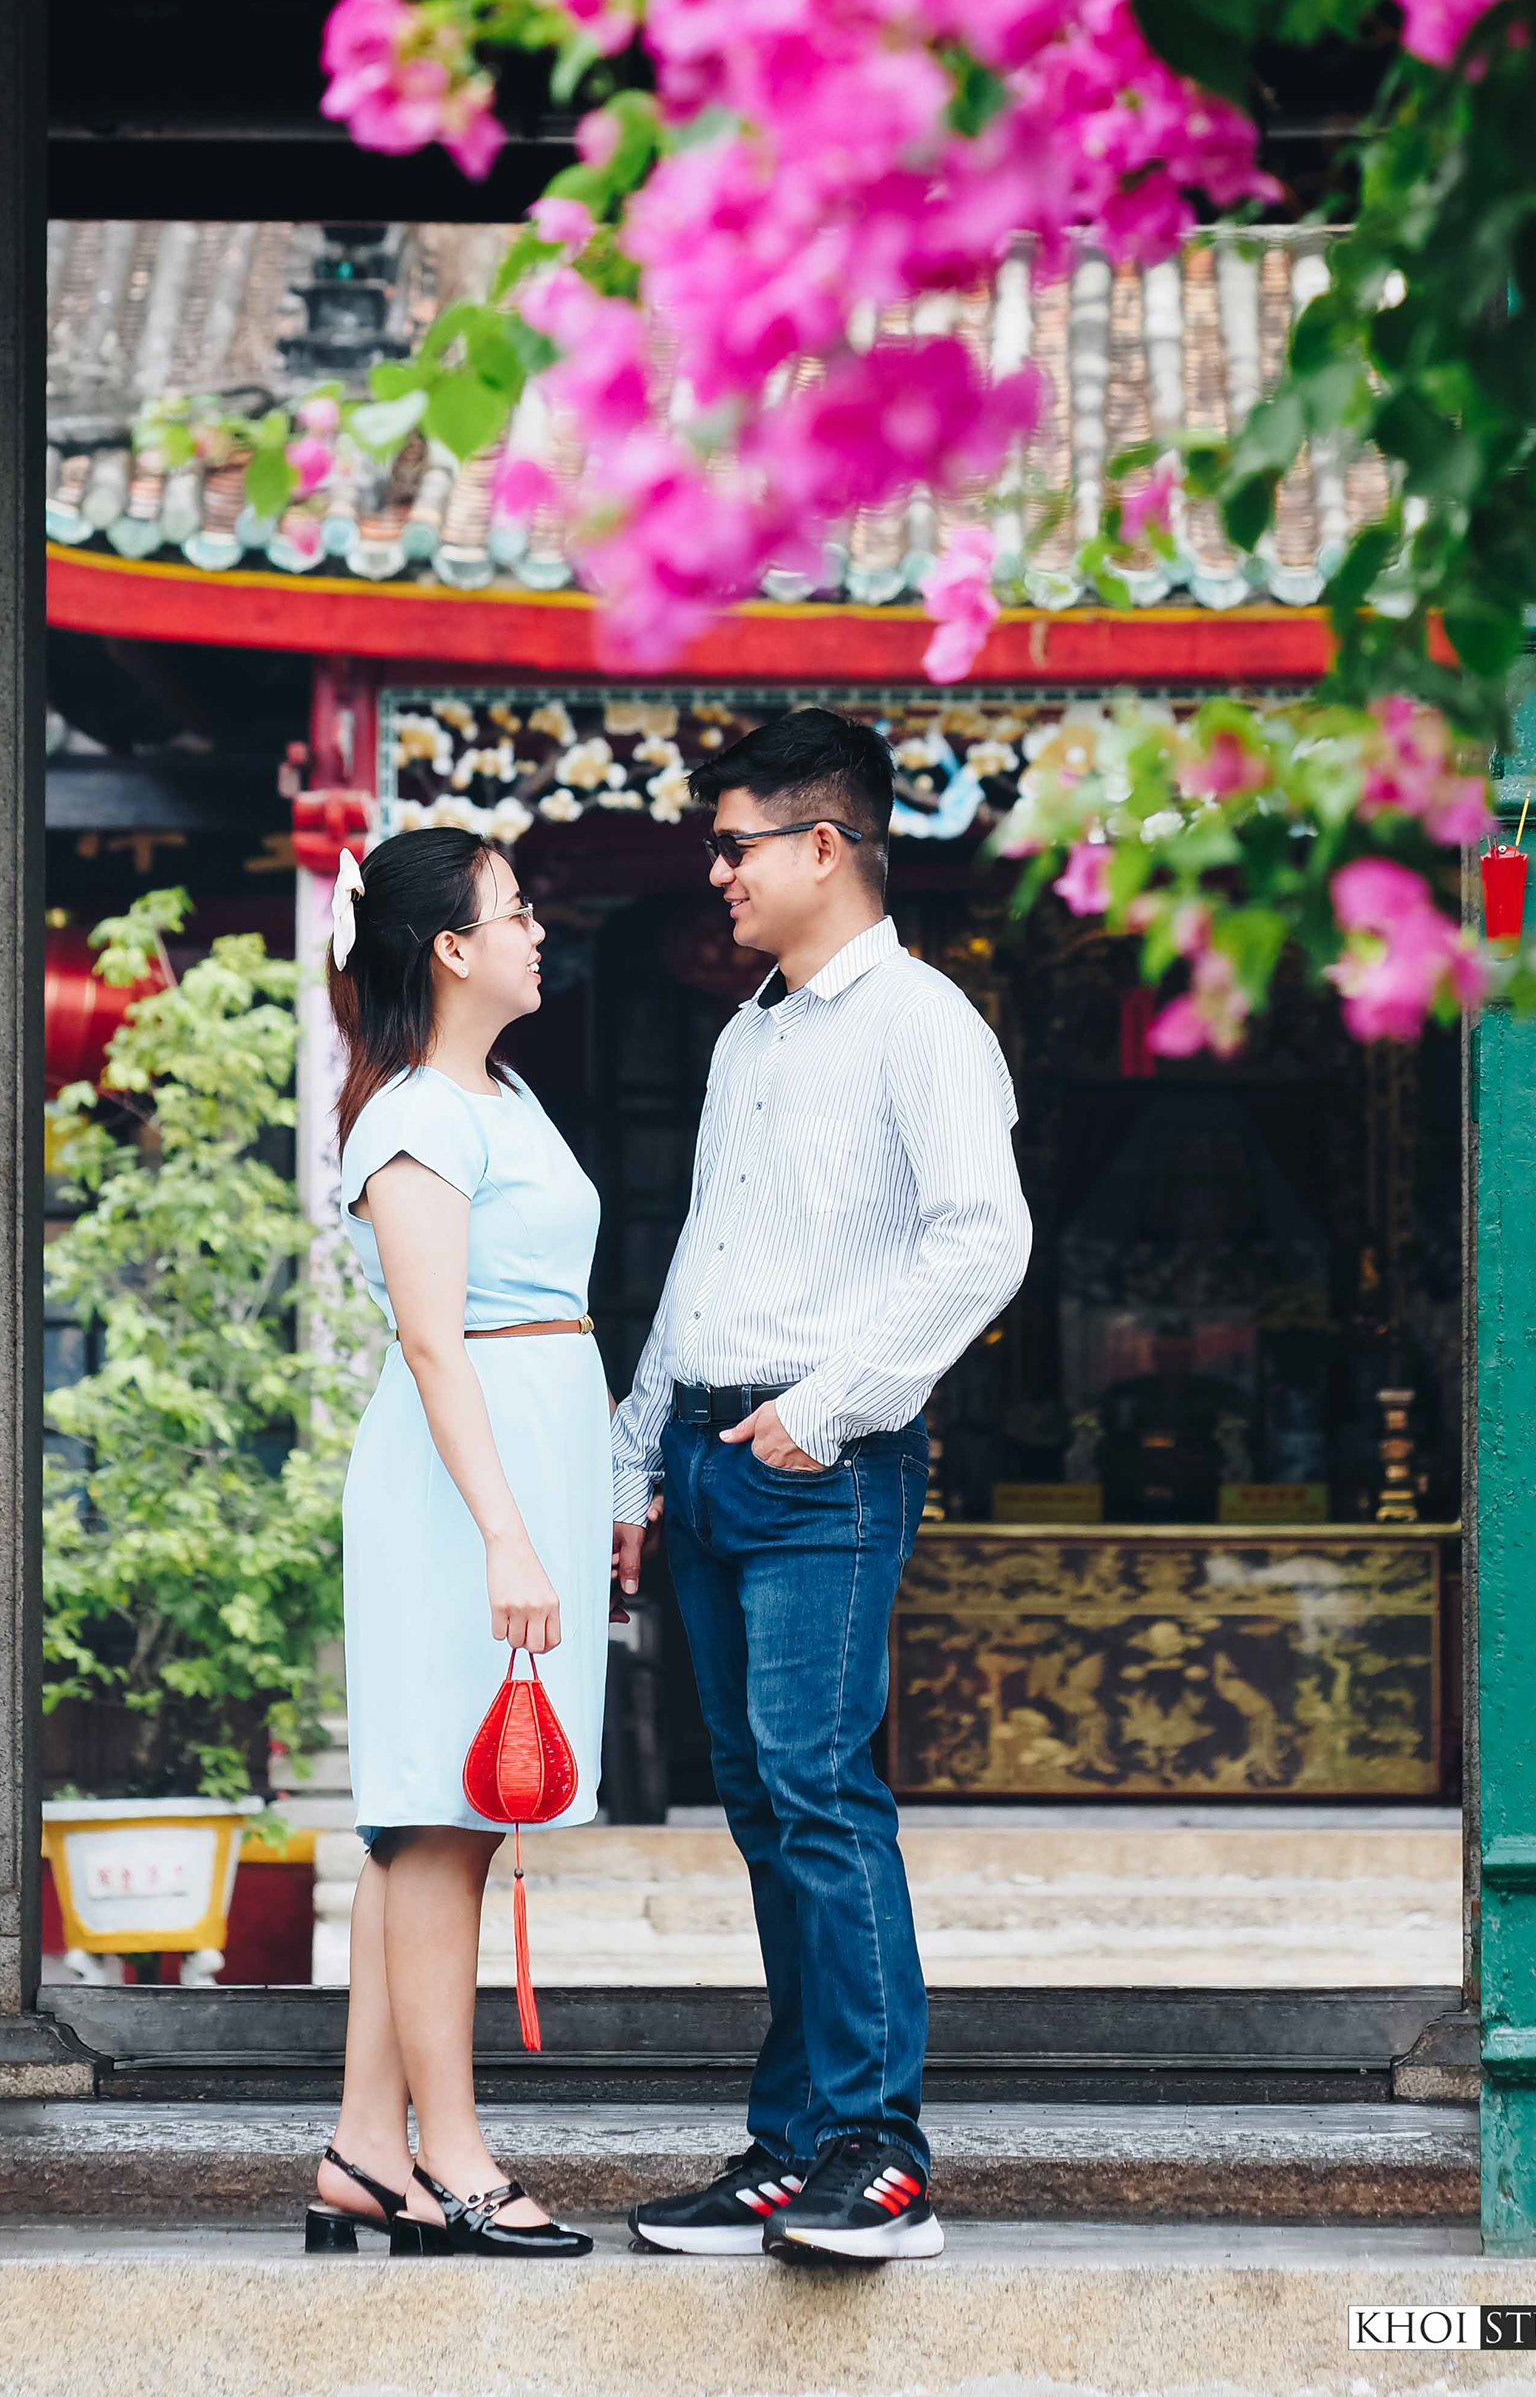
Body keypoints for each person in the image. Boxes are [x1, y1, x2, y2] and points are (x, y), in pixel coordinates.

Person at [614, 707, 1032, 2262]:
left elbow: (984, 1240)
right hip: (711, 1461)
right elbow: (703, 1264)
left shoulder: (922, 1022)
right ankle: (792, 2150)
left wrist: (830, 1408)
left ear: (824, 847)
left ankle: (882, 2149)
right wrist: (631, 1455)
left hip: (824, 1465)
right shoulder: (752, 1034)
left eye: (733, 846)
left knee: (819, 1790)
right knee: (763, 1807)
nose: (714, 874)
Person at [307, 829, 604, 2260]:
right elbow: (434, 1341)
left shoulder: (509, 1093)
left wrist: (581, 1499)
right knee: (443, 1820)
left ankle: (367, 2153)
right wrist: (505, 1532)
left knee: (435, 1819)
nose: (539, 931)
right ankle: (460, 2158)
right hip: (455, 1481)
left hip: (522, 1457)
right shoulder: (419, 1112)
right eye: (516, 910)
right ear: (449, 949)